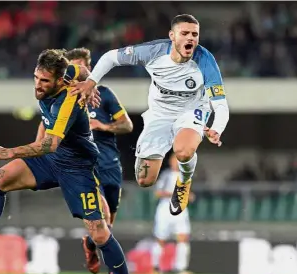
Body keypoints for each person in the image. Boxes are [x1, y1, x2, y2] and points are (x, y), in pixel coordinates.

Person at [0, 49, 147, 274]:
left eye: (44, 81)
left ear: (58, 80)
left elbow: (48, 144)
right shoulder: (69, 73)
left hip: (77, 168)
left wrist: (8, 151)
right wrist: (89, 83)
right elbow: (83, 71)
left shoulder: (68, 100)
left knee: (99, 233)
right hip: (51, 161)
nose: (38, 85)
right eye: (35, 78)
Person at [71, 14, 230, 216]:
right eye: (185, 33)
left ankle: (184, 180)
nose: (191, 38)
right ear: (172, 35)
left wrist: (217, 128)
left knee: (183, 151)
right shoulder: (152, 52)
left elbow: (221, 104)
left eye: (195, 34)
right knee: (145, 180)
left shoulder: (205, 60)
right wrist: (91, 82)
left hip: (192, 109)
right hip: (159, 113)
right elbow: (111, 57)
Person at [65, 48, 134, 274]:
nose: (77, 72)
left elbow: (127, 124)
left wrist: (102, 125)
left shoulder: (104, 95)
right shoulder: (64, 98)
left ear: (90, 68)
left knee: (108, 222)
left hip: (110, 165)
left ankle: (91, 245)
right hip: (85, 167)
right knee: (102, 214)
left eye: (81, 67)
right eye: (72, 68)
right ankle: (116, 273)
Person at [151, 153, 194, 274]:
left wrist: (189, 196)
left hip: (181, 209)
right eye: (175, 160)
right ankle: (156, 268)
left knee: (183, 237)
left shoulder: (186, 176)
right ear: (171, 162)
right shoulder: (166, 175)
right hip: (165, 209)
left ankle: (181, 269)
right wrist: (174, 194)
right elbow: (158, 193)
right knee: (161, 239)